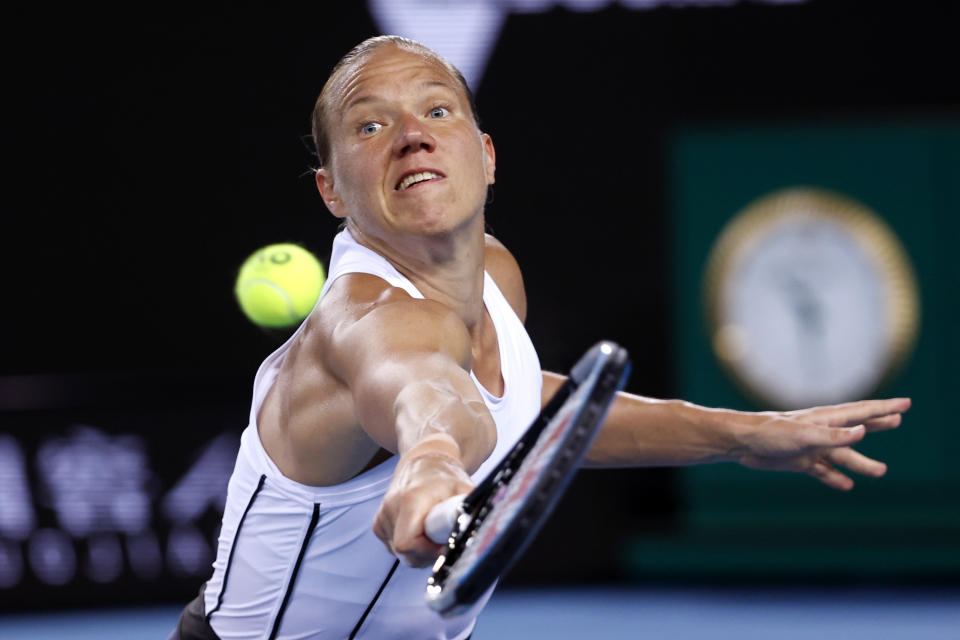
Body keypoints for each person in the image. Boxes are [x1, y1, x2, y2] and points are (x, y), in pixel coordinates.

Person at [168, 35, 910, 640]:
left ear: (486, 157)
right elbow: (426, 397)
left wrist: (742, 435)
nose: (413, 137)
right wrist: (430, 469)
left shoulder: (495, 275)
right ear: (331, 189)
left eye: (437, 111)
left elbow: (522, 406)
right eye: (371, 125)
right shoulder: (368, 322)